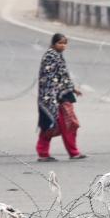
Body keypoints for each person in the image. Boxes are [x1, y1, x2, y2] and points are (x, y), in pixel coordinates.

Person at [37, 33, 86, 161]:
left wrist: (72, 89)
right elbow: (49, 79)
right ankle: (43, 153)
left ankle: (73, 152)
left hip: (63, 95)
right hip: (52, 98)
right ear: (53, 44)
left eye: (65, 43)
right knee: (50, 125)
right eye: (60, 43)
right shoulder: (50, 57)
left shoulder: (58, 56)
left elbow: (62, 76)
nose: (63, 46)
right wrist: (56, 94)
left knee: (69, 125)